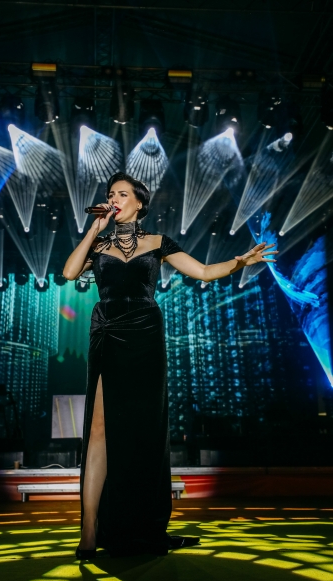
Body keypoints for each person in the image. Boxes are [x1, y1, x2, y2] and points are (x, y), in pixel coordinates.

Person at [63, 172, 278, 558]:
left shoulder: (158, 242)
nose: (114, 199)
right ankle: (89, 529)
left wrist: (239, 262)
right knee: (98, 430)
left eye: (122, 194)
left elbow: (203, 272)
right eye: (110, 194)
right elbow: (68, 272)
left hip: (145, 335)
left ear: (139, 203)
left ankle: (140, 521)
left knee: (144, 429)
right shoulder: (99, 243)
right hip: (108, 331)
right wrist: (94, 228)